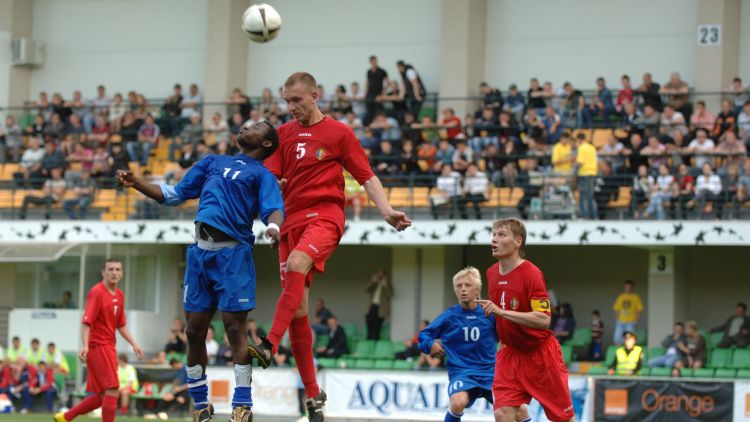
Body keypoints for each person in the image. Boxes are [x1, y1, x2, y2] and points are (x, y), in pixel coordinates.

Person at [248, 72, 411, 421]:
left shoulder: (339, 133)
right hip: (290, 223)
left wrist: (386, 211)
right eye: (286, 101)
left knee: (295, 266)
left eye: (297, 100)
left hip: (324, 217)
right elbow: (268, 176)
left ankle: (268, 344)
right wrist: (271, 203)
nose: (291, 107)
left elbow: (365, 175)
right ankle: (313, 394)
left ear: (315, 96)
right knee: (300, 309)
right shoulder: (283, 135)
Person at [116, 120, 284, 422]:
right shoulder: (212, 162)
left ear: (268, 143)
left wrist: (273, 227)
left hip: (234, 256)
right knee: (193, 330)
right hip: (199, 254)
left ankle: (242, 404)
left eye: (255, 126)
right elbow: (175, 194)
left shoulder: (263, 175)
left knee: (234, 329)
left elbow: (273, 209)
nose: (246, 127)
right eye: (246, 125)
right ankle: (200, 404)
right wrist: (136, 182)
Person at [476, 218, 574, 422]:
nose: (494, 240)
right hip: (510, 355)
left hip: (540, 356)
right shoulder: (491, 272)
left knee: (563, 419)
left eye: (501, 235)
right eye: (493, 235)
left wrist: (501, 312)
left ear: (518, 242)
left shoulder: (532, 274)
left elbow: (543, 320)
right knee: (502, 413)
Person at [418, 267, 529, 422]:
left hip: (491, 372)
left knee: (521, 410)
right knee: (457, 402)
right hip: (462, 372)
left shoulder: (490, 314)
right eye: (459, 286)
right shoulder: (449, 316)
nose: (463, 289)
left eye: (468, 285)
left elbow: (508, 338)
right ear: (455, 290)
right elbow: (424, 335)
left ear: (477, 290)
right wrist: (430, 344)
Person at [54, 259, 144, 422]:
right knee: (112, 390)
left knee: (103, 396)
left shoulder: (120, 295)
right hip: (99, 346)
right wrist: (85, 346)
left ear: (122, 273)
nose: (114, 272)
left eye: (117, 269)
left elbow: (121, 324)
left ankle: (65, 417)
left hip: (108, 346)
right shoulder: (97, 292)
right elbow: (86, 322)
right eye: (110, 269)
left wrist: (134, 344)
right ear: (103, 272)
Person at [612, 280, 643, 345]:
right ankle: (618, 350)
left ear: (632, 287)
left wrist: (636, 319)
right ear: (624, 287)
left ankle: (629, 350)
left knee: (630, 337)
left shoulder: (635, 297)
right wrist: (618, 318)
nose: (628, 288)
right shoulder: (621, 297)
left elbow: (639, 309)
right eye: (627, 287)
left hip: (631, 321)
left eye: (630, 287)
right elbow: (616, 308)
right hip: (621, 321)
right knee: (617, 336)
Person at [365, 270, 393, 340]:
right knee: (369, 322)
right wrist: (373, 281)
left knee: (377, 325)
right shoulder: (374, 283)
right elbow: (366, 289)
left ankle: (376, 342)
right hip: (372, 306)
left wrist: (385, 285)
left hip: (380, 308)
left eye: (382, 275)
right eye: (379, 275)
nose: (380, 277)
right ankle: (369, 341)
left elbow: (390, 295)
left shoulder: (388, 284)